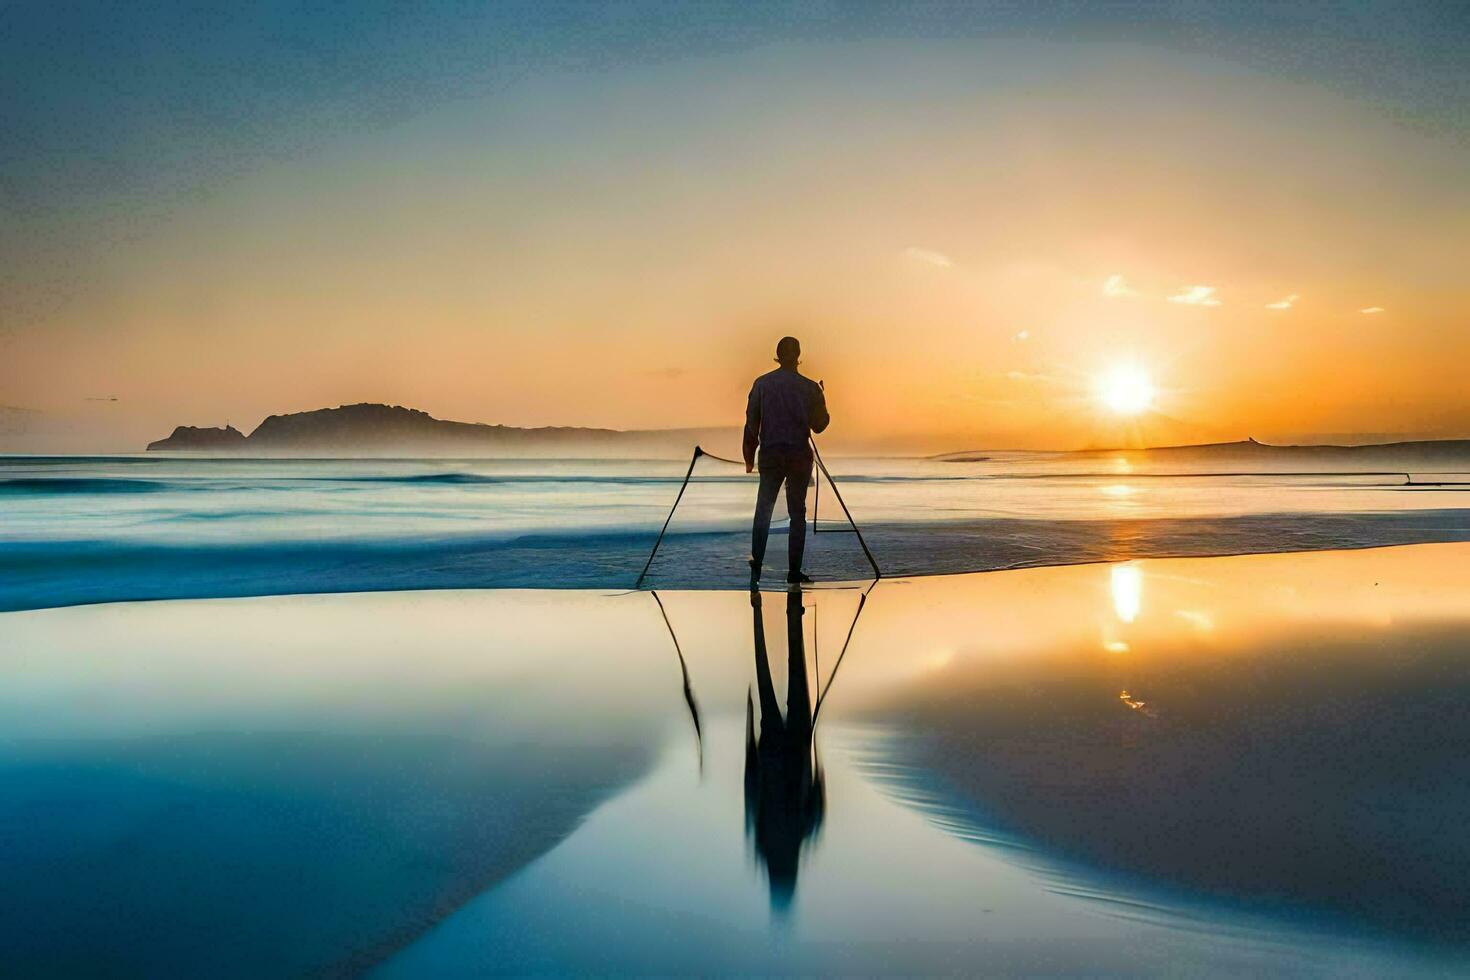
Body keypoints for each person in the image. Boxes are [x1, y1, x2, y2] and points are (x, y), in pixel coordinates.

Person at [743, 336, 830, 586]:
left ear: (778, 355)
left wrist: (749, 457)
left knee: (763, 512)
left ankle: (756, 567)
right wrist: (824, 397)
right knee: (797, 514)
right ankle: (794, 572)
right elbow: (820, 425)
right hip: (798, 457)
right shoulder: (810, 388)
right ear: (798, 355)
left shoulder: (762, 384)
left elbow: (751, 424)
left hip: (770, 456)